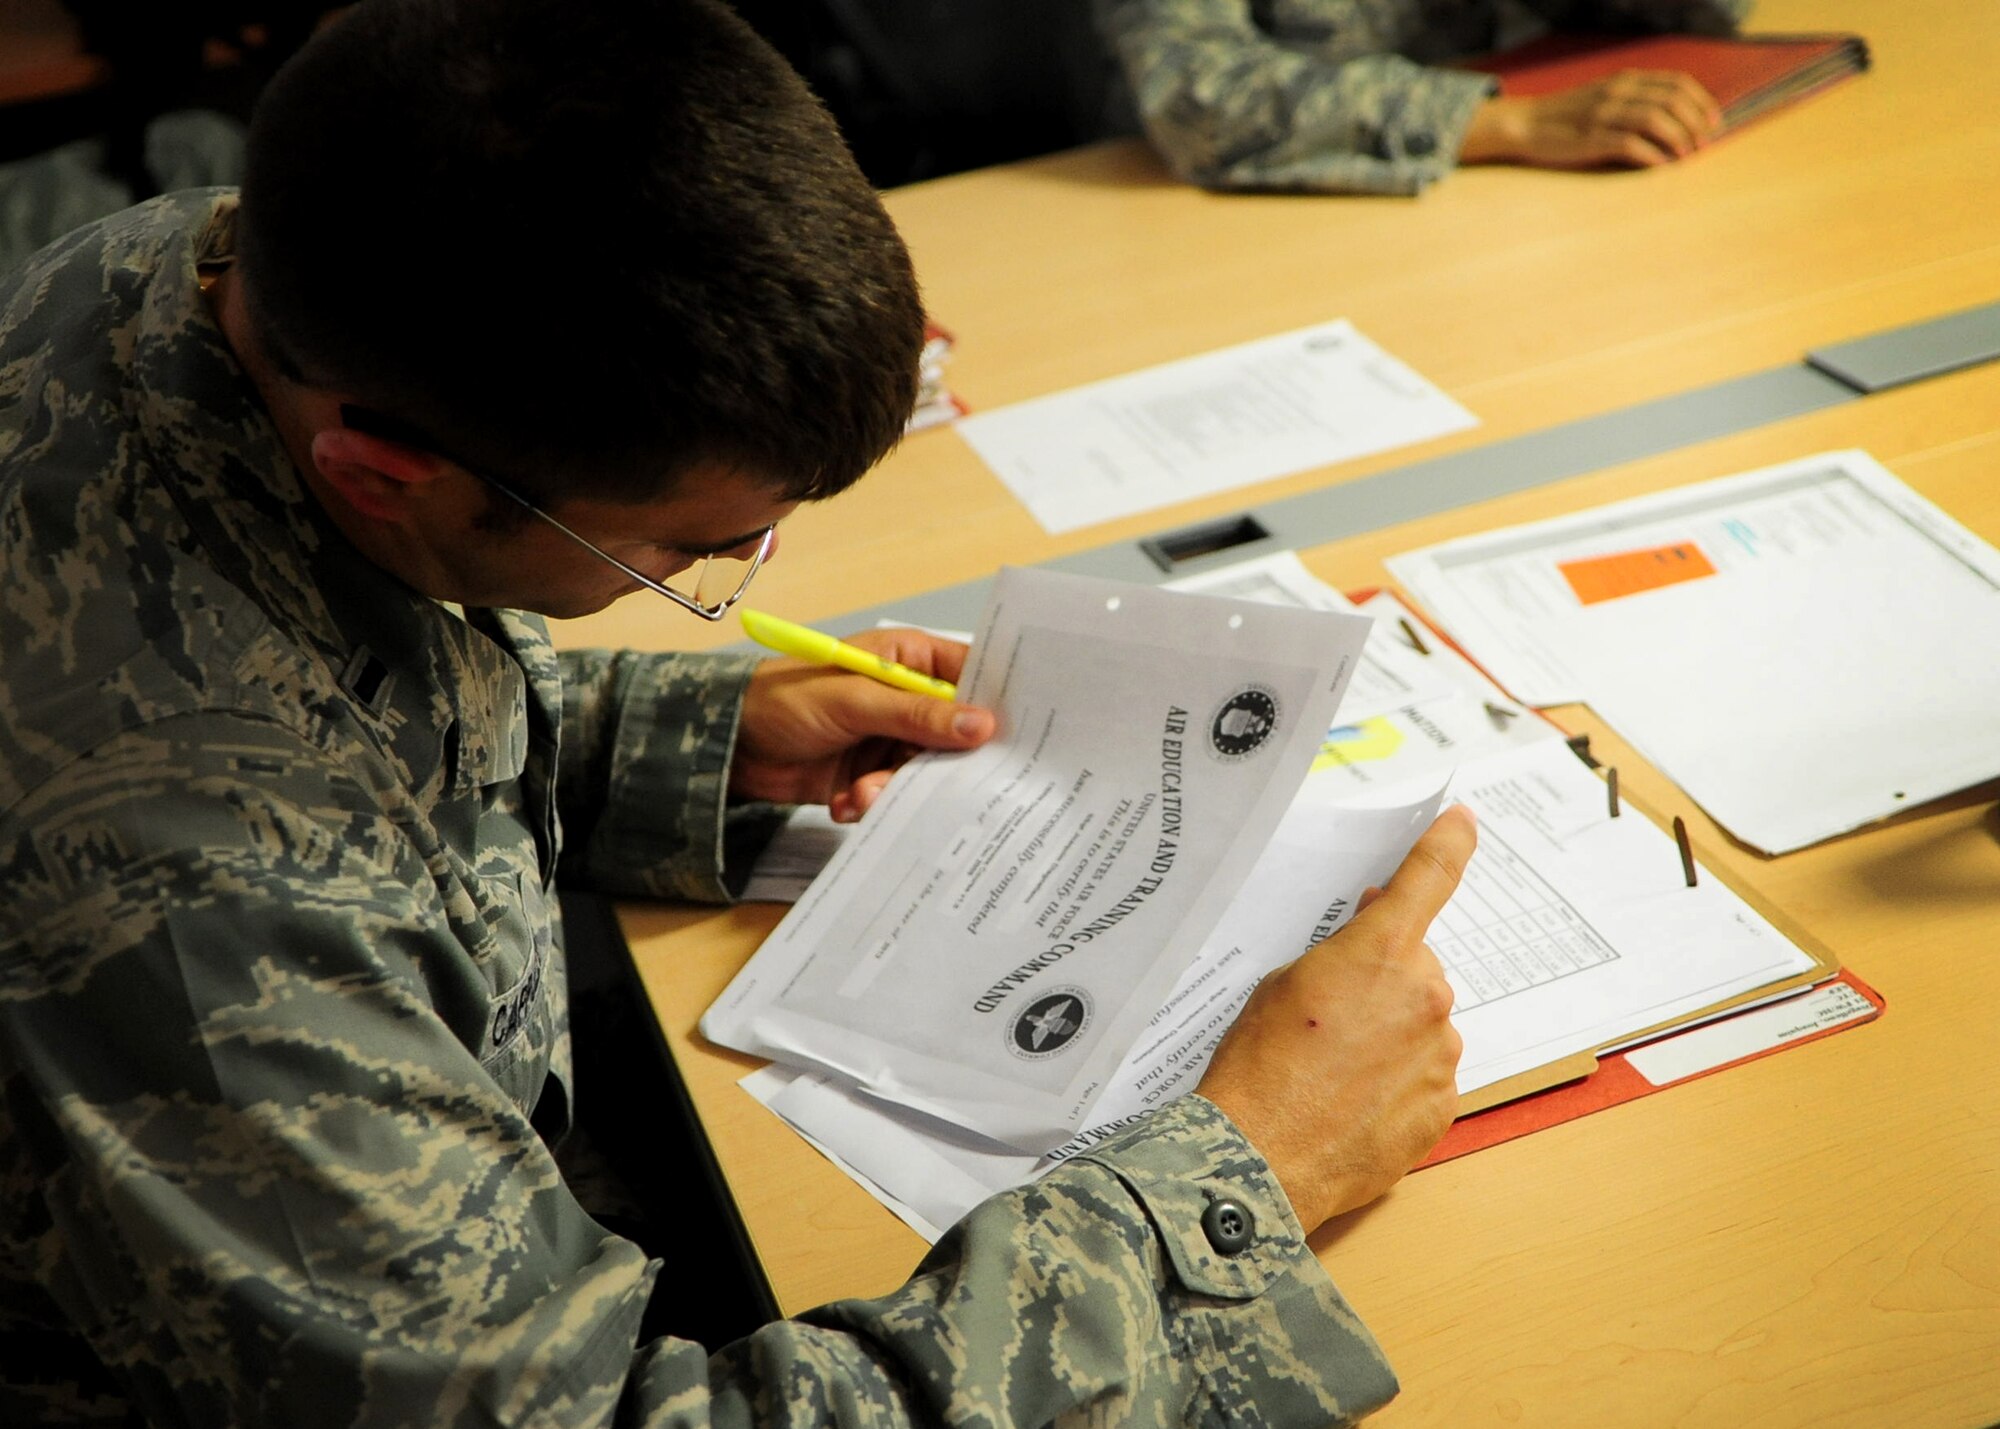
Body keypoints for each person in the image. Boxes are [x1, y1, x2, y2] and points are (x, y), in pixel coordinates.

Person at [0, 0, 1472, 1423]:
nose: (739, 576)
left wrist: (674, 736)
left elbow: (323, 677)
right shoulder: (189, 890)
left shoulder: (238, 260)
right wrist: (1246, 1178)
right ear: (386, 473)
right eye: (694, 551)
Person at [1095, 0, 1755, 195]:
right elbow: (1198, 100)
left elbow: (1704, 14)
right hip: (1246, 236)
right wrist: (1505, 124)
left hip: (1524, 214)